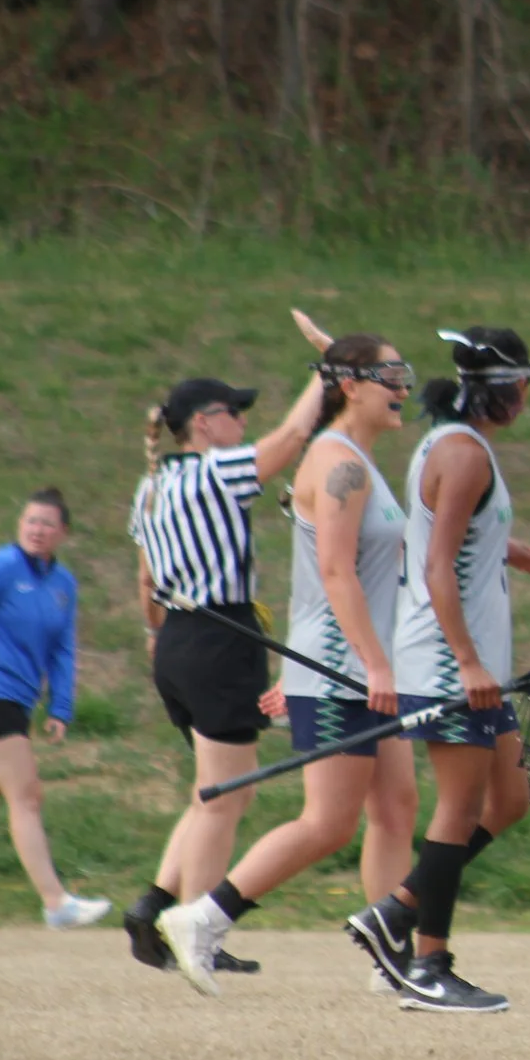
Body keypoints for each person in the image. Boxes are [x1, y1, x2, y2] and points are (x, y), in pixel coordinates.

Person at [157, 334, 418, 994]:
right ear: (350, 384)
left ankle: (395, 957)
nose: (404, 388)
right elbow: (333, 572)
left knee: (396, 806)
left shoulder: (361, 460)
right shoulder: (338, 463)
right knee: (328, 822)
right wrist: (373, 665)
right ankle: (204, 917)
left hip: (352, 666)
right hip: (343, 671)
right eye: (390, 374)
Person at [345, 327, 530, 1013]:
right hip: (449, 660)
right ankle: (427, 961)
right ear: (508, 388)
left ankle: (395, 910)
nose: (527, 397)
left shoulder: (449, 444)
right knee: (462, 805)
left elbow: (452, 537)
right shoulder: (465, 454)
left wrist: (511, 547)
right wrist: (467, 659)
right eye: (525, 385)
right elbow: (438, 563)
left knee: (510, 800)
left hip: (469, 659)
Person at [122, 334, 329, 973]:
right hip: (219, 636)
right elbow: (293, 437)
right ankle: (195, 930)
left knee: (209, 790)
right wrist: (330, 370)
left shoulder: (150, 486)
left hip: (177, 639)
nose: (243, 424)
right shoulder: (215, 469)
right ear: (205, 424)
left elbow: (146, 581)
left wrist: (161, 637)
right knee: (226, 797)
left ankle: (157, 901)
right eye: (234, 413)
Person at [0, 489, 111, 931]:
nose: (37, 530)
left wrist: (61, 706)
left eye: (48, 523)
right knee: (26, 795)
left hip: (15, 698)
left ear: (64, 532)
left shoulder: (63, 584)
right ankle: (55, 902)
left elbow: (63, 648)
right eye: (31, 520)